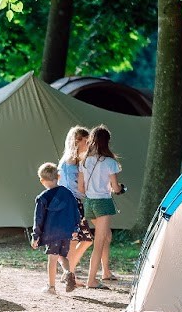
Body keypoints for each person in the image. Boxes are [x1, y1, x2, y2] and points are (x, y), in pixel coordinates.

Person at [80, 125, 127, 288]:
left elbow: (81, 188)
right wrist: (121, 189)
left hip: (89, 204)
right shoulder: (110, 162)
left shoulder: (84, 160)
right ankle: (91, 280)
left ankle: (106, 272)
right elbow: (115, 188)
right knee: (99, 242)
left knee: (106, 236)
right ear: (107, 142)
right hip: (103, 203)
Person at [31, 162, 83, 294]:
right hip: (66, 232)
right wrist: (75, 228)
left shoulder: (43, 198)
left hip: (52, 233)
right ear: (58, 177)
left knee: (52, 258)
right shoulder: (68, 194)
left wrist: (35, 236)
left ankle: (51, 287)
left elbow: (38, 219)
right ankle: (68, 272)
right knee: (63, 256)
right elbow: (76, 212)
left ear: (42, 180)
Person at [57, 125, 94, 285]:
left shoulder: (75, 162)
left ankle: (69, 273)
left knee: (85, 239)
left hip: (75, 203)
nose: (88, 144)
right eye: (86, 141)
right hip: (70, 204)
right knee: (74, 240)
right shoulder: (70, 161)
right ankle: (69, 274)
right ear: (76, 141)